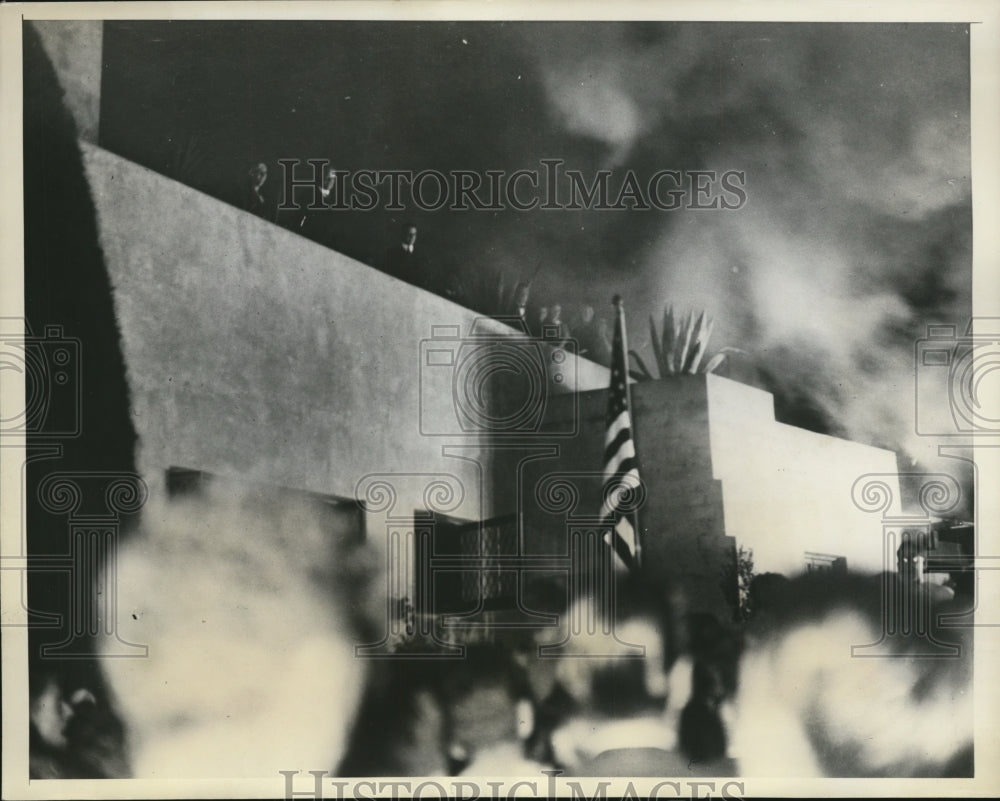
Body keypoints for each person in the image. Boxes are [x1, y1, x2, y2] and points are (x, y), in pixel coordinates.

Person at [383, 223, 426, 289]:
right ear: (403, 234)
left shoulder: (421, 255)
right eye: (409, 234)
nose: (412, 237)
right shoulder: (392, 253)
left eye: (414, 234)